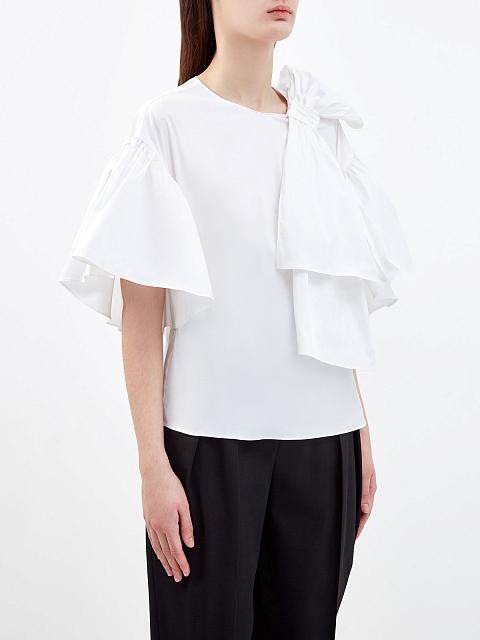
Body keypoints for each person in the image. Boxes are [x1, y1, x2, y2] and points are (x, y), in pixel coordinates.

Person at [58, 0, 415, 638]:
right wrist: (152, 466)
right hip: (208, 445)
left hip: (324, 443)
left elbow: (328, 295)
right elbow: (143, 316)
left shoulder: (318, 126)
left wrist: (359, 429)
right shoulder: (168, 125)